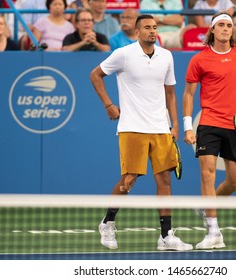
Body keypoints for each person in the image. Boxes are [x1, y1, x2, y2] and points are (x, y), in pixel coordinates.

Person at [90, 14, 193, 251]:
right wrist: (108, 105)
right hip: (131, 127)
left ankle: (166, 235)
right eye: (147, 27)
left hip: (160, 127)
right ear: (137, 32)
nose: (152, 31)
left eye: (155, 27)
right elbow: (95, 75)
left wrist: (175, 124)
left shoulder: (166, 56)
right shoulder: (123, 54)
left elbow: (170, 94)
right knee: (128, 181)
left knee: (165, 180)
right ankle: (107, 223)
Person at [182, 13, 236, 249]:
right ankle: (213, 230)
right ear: (213, 30)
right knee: (207, 173)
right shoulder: (199, 59)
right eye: (222, 25)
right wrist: (187, 126)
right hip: (209, 123)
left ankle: (205, 204)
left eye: (229, 25)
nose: (227, 29)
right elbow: (188, 94)